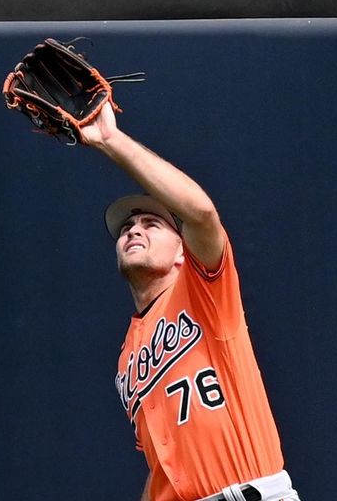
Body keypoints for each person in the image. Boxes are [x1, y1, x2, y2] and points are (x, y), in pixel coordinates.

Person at [79, 102, 300, 501]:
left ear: (183, 251)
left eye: (152, 224)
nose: (134, 231)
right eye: (126, 227)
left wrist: (111, 140)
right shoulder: (128, 357)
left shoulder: (203, 291)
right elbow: (163, 465)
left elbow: (200, 215)